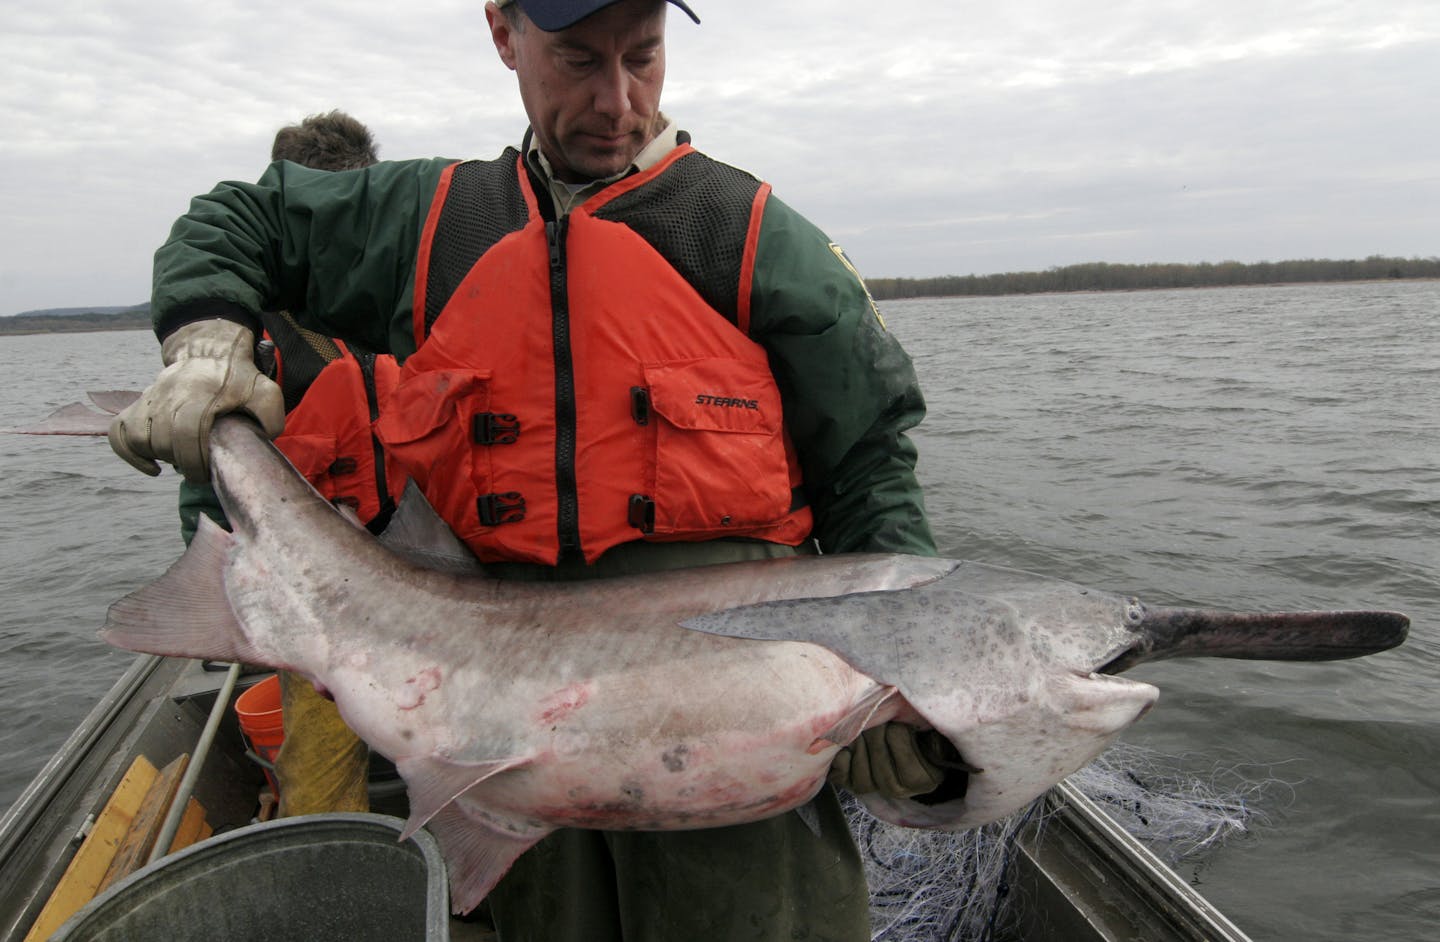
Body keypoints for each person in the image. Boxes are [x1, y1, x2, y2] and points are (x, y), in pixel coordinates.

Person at [110, 2, 954, 938]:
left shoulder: (751, 235)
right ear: (505, 34)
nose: (616, 99)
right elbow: (237, 216)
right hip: (501, 728)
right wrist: (205, 336)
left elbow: (873, 463)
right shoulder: (425, 221)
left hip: (730, 733)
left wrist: (909, 682)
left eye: (644, 58)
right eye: (578, 60)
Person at [179, 110, 393, 818]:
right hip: (315, 606)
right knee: (323, 781)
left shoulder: (402, 308)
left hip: (434, 577)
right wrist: (228, 595)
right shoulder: (249, 338)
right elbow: (209, 490)